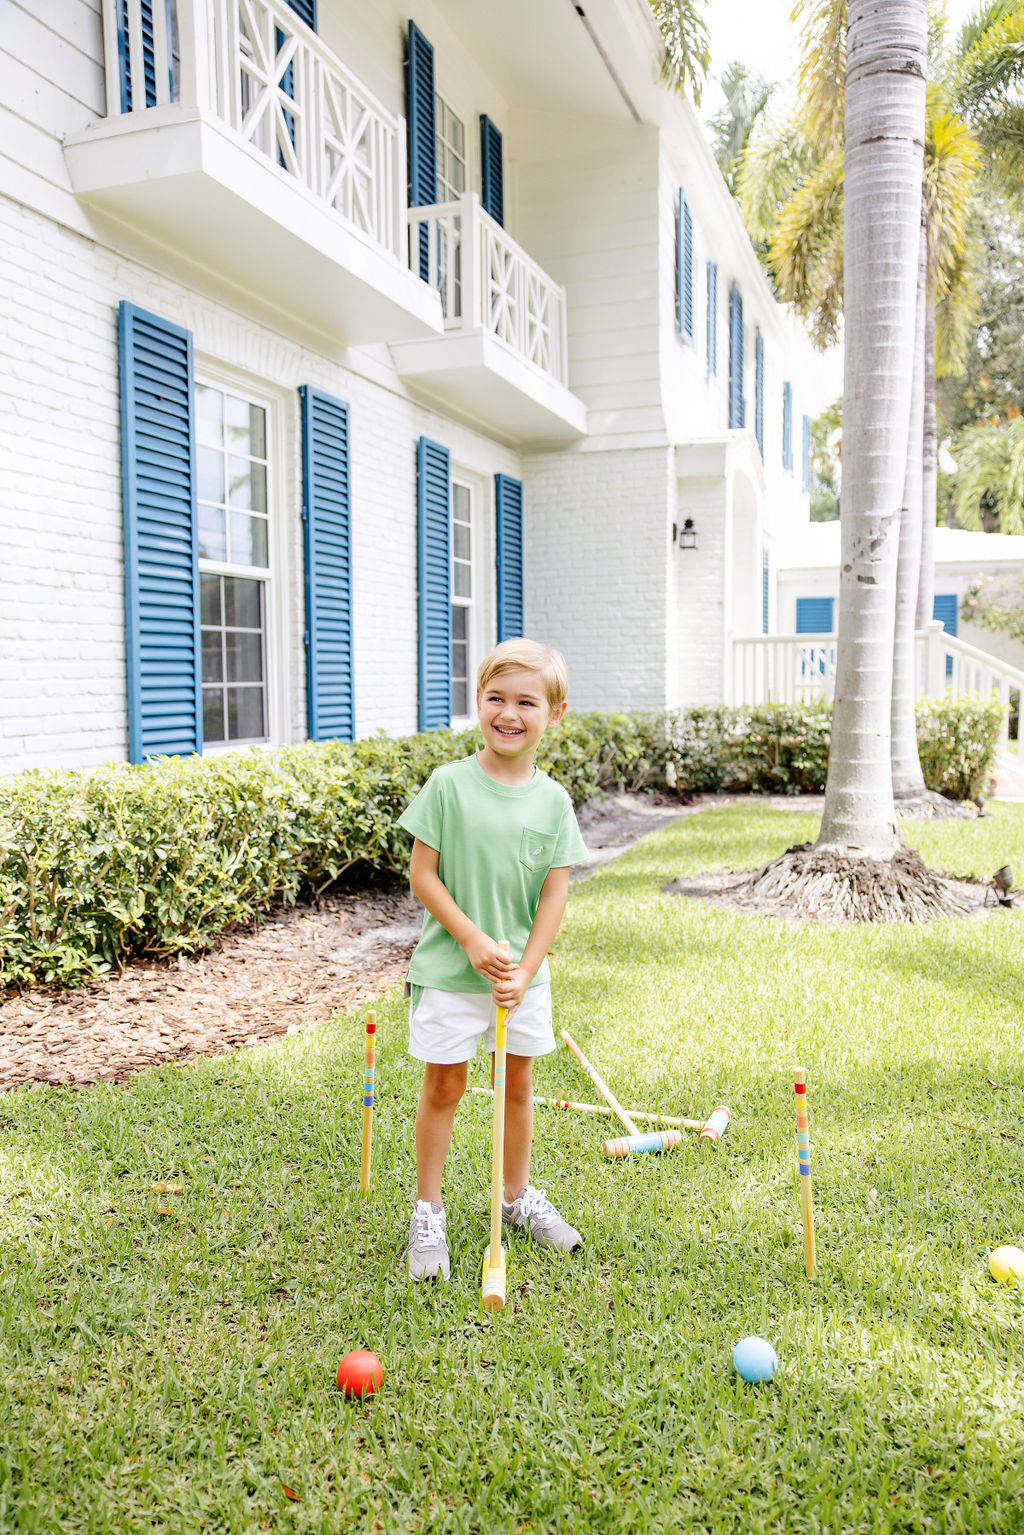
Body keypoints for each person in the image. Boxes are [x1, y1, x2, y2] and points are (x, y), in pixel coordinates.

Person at [397, 638, 589, 1281]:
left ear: (554, 714)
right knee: (445, 1086)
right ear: (478, 703)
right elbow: (424, 875)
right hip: (452, 973)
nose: (509, 713)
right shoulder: (449, 786)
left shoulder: (554, 802)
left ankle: (515, 1198)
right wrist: (473, 941)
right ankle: (428, 1210)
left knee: (517, 1086)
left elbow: (555, 895)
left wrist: (528, 970)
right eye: (495, 699)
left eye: (526, 702)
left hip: (520, 982)